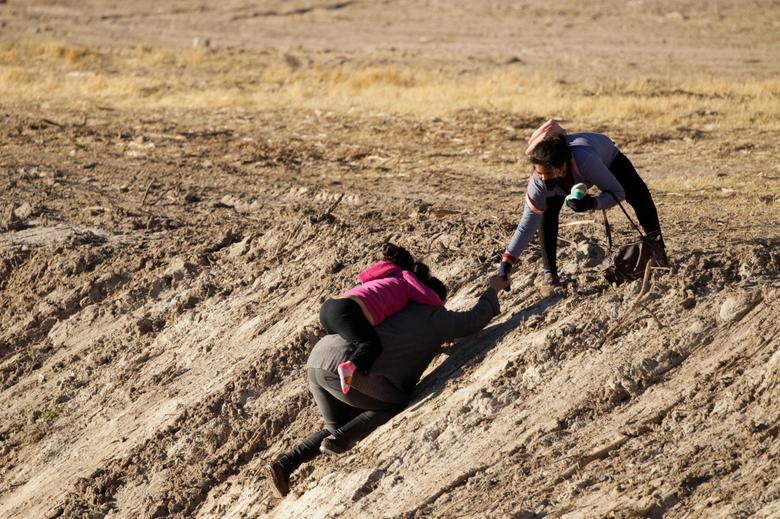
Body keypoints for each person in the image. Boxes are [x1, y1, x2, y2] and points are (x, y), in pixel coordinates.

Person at [265, 274, 509, 497]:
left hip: (318, 358)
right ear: (435, 299)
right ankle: (338, 439)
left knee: (342, 421)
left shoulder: (392, 308)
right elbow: (472, 320)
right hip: (345, 364)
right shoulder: (433, 315)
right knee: (395, 402)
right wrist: (493, 289)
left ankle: (285, 464)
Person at [497, 120, 668, 287]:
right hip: (567, 179)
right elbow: (527, 224)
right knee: (546, 213)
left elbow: (618, 193)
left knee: (639, 196)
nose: (543, 178)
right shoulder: (539, 182)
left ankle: (658, 250)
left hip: (607, 158)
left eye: (547, 173)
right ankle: (550, 274)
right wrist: (507, 261)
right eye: (539, 173)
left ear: (562, 167)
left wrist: (592, 203)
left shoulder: (586, 160)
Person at [319, 243, 445, 393]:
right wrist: (441, 306)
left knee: (346, 344)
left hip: (328, 307)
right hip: (347, 310)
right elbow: (428, 296)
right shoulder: (406, 276)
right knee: (371, 345)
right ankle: (349, 367)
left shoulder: (385, 276)